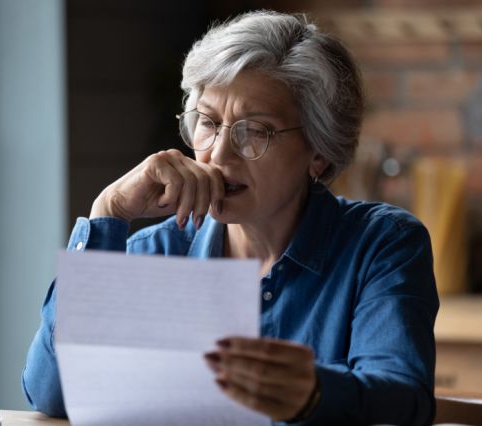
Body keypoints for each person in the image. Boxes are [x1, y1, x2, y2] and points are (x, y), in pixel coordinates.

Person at [22, 10, 438, 425]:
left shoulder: (382, 244)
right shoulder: (158, 251)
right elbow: (52, 394)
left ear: (319, 150)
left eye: (254, 131)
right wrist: (107, 212)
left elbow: (403, 401)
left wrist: (312, 393)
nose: (218, 155)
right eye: (207, 122)